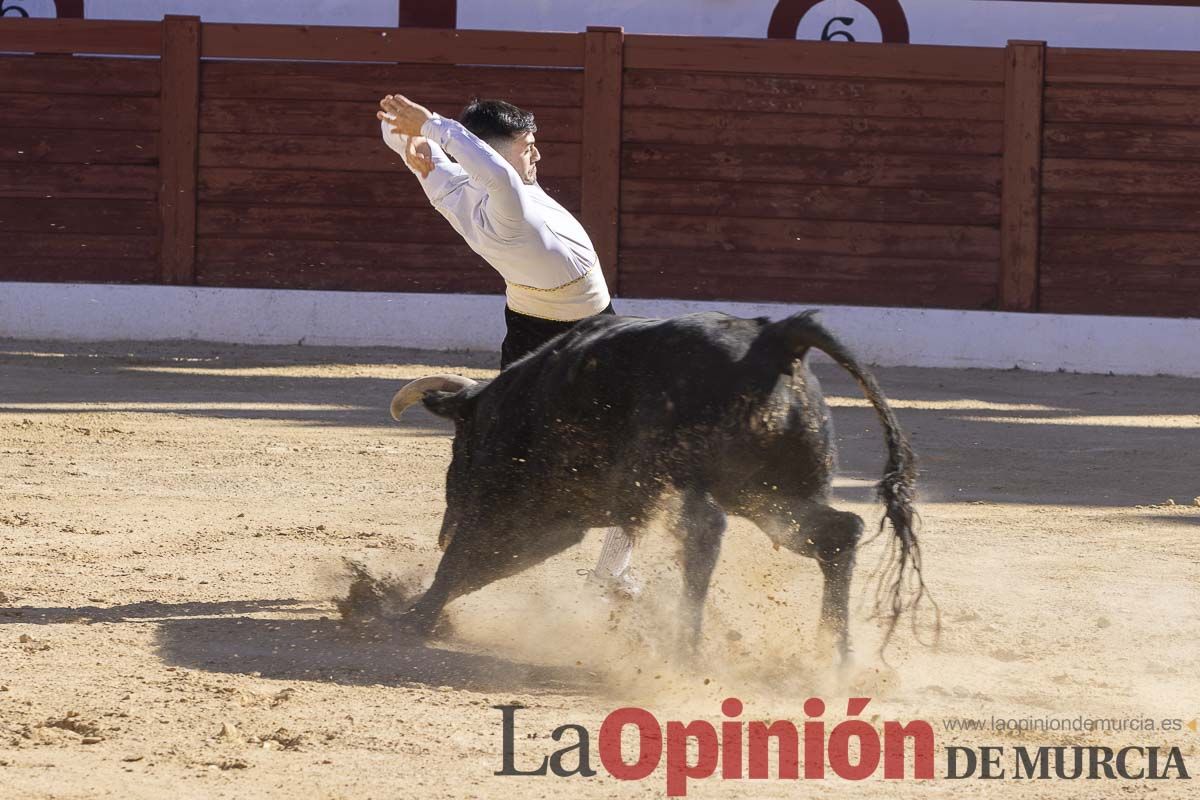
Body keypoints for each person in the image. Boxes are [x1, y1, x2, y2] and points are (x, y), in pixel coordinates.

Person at [377, 93, 637, 596]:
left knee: (508, 445)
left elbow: (443, 155)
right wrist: (430, 125)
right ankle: (611, 571)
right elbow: (493, 170)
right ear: (498, 151)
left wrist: (398, 130)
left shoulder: (452, 189)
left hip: (527, 327)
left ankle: (468, 517)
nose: (536, 153)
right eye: (527, 145)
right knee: (641, 450)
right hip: (590, 335)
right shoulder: (506, 201)